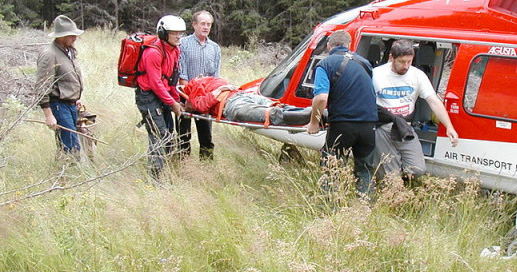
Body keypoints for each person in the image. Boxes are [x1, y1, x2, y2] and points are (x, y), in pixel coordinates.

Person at [373, 39, 459, 180]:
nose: (406, 66)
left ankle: (400, 179)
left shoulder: (417, 75)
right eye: (401, 62)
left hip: (405, 126)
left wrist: (449, 127)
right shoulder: (376, 74)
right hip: (382, 126)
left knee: (417, 169)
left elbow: (434, 101)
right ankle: (394, 189)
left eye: (409, 61)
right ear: (391, 58)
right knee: (390, 176)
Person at [306, 30, 378, 196]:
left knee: (332, 168)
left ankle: (330, 210)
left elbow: (321, 98)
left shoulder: (325, 64)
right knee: (365, 170)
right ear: (349, 45)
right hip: (369, 125)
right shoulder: (365, 63)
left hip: (343, 124)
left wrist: (314, 122)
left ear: (329, 46)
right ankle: (366, 207)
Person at [135, 15, 185, 178]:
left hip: (162, 95)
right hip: (148, 97)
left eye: (180, 33)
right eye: (174, 33)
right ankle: (155, 177)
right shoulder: (153, 53)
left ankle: (166, 169)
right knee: (159, 135)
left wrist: (176, 100)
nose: (178, 36)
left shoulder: (175, 50)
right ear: (163, 33)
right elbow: (155, 83)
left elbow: (171, 80)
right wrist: (172, 102)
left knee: (169, 132)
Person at [35, 15, 85, 155]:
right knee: (71, 146)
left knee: (69, 144)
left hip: (70, 105)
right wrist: (49, 115)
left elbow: (68, 79)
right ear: (61, 36)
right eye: (71, 35)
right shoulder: (49, 54)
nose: (75, 38)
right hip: (58, 106)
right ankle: (69, 173)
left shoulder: (69, 51)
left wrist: (75, 98)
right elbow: (42, 86)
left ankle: (65, 172)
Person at [178, 10, 221, 160]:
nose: (206, 27)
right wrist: (189, 99)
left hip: (206, 99)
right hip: (186, 96)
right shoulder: (183, 44)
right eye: (202, 23)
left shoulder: (215, 48)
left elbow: (215, 77)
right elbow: (181, 74)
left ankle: (206, 166)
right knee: (183, 135)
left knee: (206, 136)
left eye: (209, 24)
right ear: (194, 25)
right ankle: (183, 164)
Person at [182, 76, 312, 125]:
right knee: (271, 109)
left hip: (233, 102)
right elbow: (201, 106)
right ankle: (308, 114)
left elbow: (200, 106)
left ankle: (306, 115)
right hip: (240, 97)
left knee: (270, 110)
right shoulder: (209, 81)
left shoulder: (194, 85)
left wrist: (219, 90)